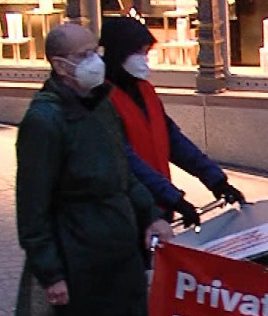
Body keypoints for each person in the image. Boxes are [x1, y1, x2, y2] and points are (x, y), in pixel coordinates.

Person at [11, 24, 173, 316]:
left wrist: (150, 215)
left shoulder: (100, 104)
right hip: (80, 257)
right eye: (82, 55)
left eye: (95, 51)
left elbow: (123, 173)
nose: (94, 61)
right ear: (59, 65)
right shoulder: (45, 120)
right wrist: (51, 272)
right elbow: (32, 206)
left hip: (120, 251)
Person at [98, 18, 247, 235]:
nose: (144, 59)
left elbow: (173, 140)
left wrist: (216, 180)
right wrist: (173, 198)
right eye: (139, 52)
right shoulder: (102, 100)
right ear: (119, 53)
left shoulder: (144, 90)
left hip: (159, 204)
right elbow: (127, 160)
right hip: (129, 209)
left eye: (146, 52)